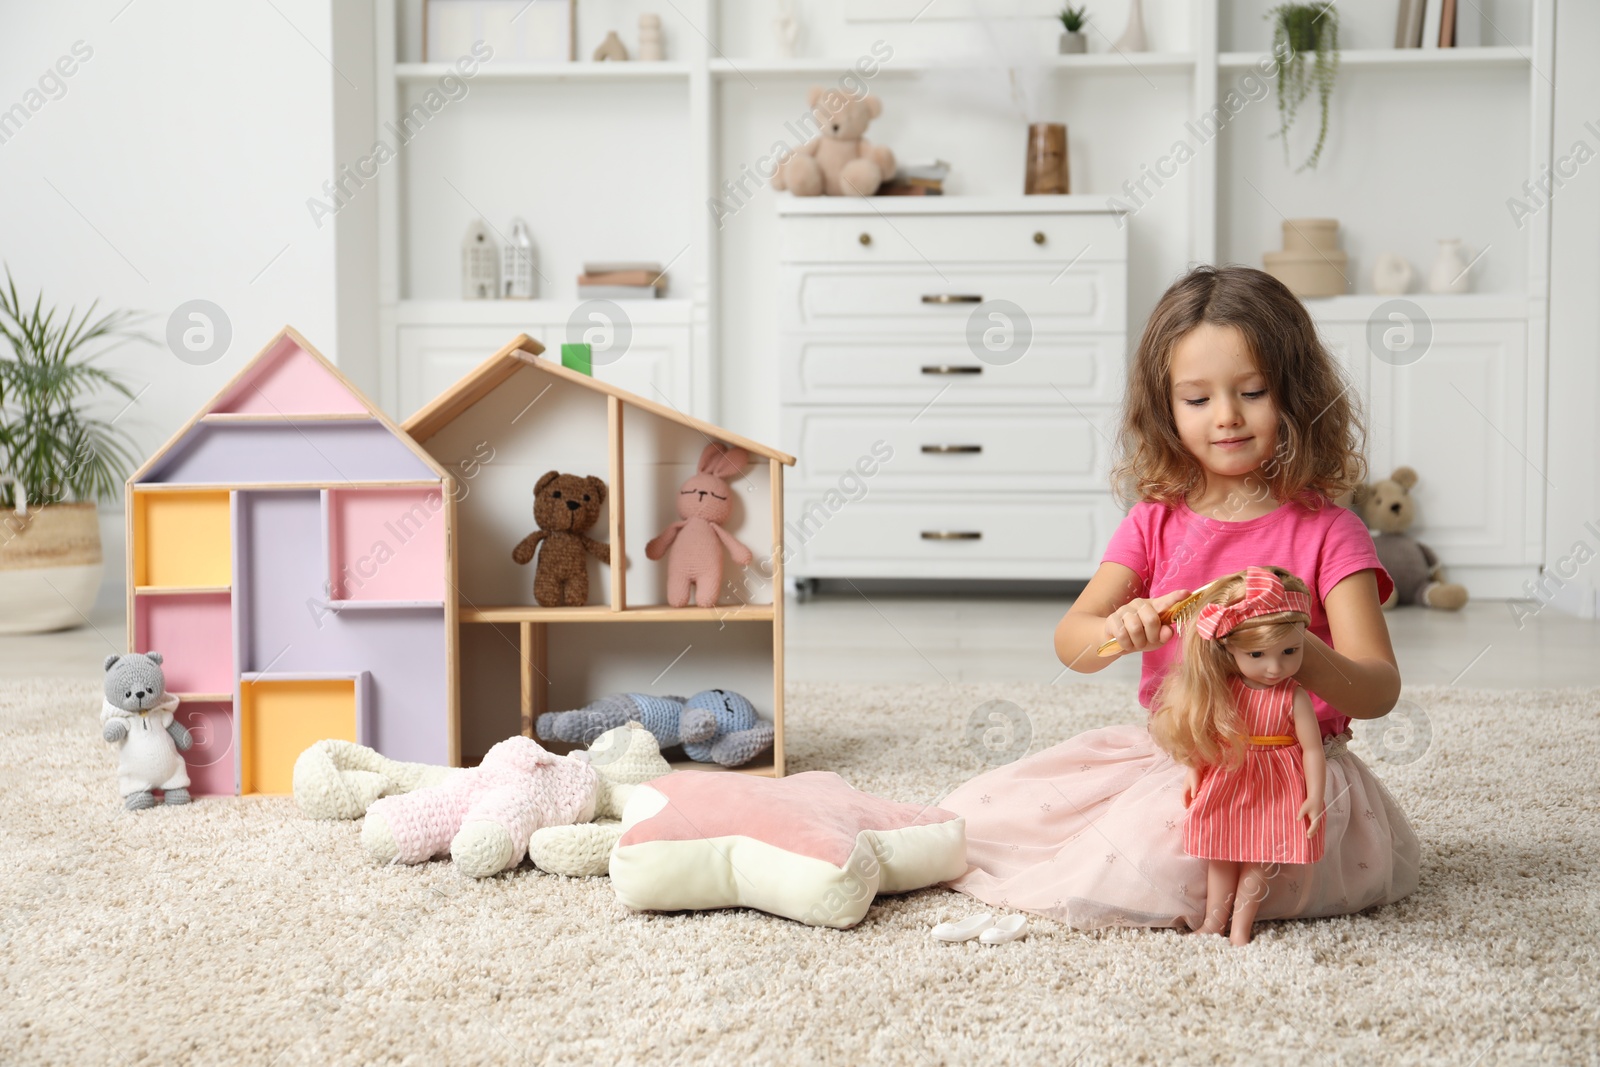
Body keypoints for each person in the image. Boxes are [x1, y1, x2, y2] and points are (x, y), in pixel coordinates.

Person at [941, 265, 1420, 930]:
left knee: (1151, 863)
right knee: (989, 816)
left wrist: (1295, 648)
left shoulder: (1330, 530)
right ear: (1164, 409)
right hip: (1180, 760)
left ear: (1297, 395)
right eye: (1197, 400)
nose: (1225, 416)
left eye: (1252, 391)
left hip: (1291, 779)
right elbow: (1071, 641)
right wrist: (1120, 627)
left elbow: (1380, 688)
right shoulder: (1156, 520)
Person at [1149, 566, 1325, 945]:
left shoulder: (1292, 696)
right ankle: (1214, 922)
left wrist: (1315, 795)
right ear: (1228, 646)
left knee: (1259, 859)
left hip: (1277, 783)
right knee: (1221, 852)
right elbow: (1205, 731)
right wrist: (1195, 769)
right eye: (1257, 654)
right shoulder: (1222, 691)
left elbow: (1312, 748)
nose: (1275, 667)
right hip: (1230, 772)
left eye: (1290, 651)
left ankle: (1241, 929)